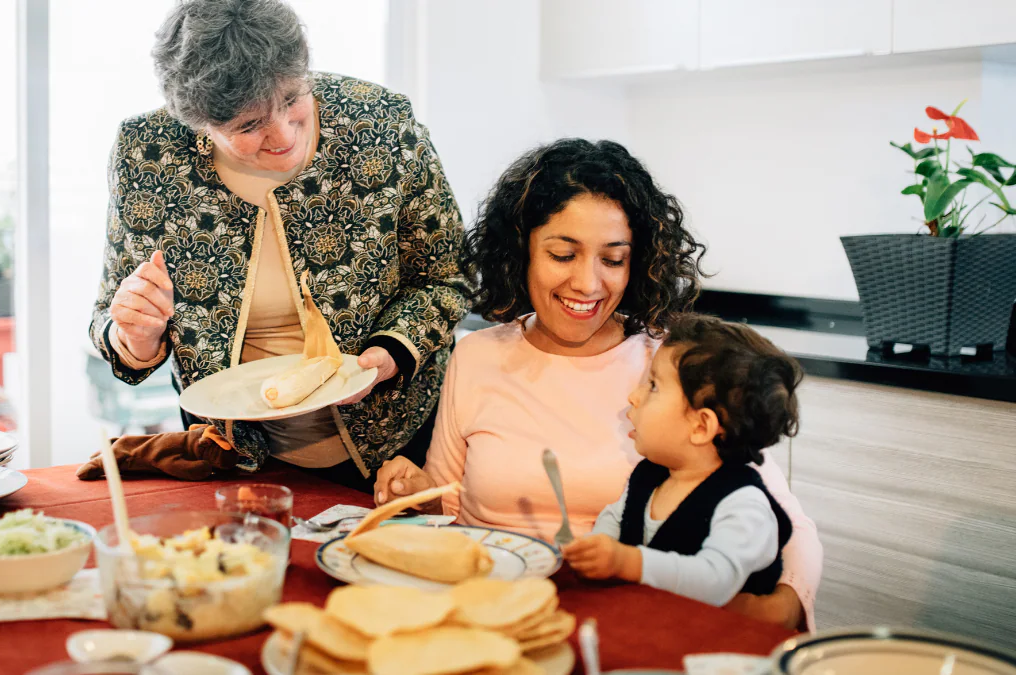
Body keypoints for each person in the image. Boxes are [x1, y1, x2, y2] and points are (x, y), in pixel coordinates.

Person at [373, 138, 822, 629]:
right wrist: (413, 492)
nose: (588, 284)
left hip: (627, 618)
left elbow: (779, 515)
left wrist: (778, 609)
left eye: (612, 260)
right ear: (522, 250)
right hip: (495, 609)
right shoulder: (478, 355)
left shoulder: (671, 364)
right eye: (563, 254)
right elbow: (448, 501)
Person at [88, 0, 469, 492]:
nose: (284, 134)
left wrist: (390, 352)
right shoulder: (148, 152)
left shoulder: (380, 126)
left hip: (396, 449)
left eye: (292, 99)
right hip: (231, 456)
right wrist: (136, 338)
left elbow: (448, 276)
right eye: (248, 127)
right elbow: (112, 313)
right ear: (198, 123)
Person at [563, 314, 801, 609]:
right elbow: (616, 517)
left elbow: (714, 581)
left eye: (652, 386)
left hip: (724, 643)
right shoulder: (650, 476)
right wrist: (598, 546)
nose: (634, 397)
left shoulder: (743, 504)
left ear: (701, 427)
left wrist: (626, 562)